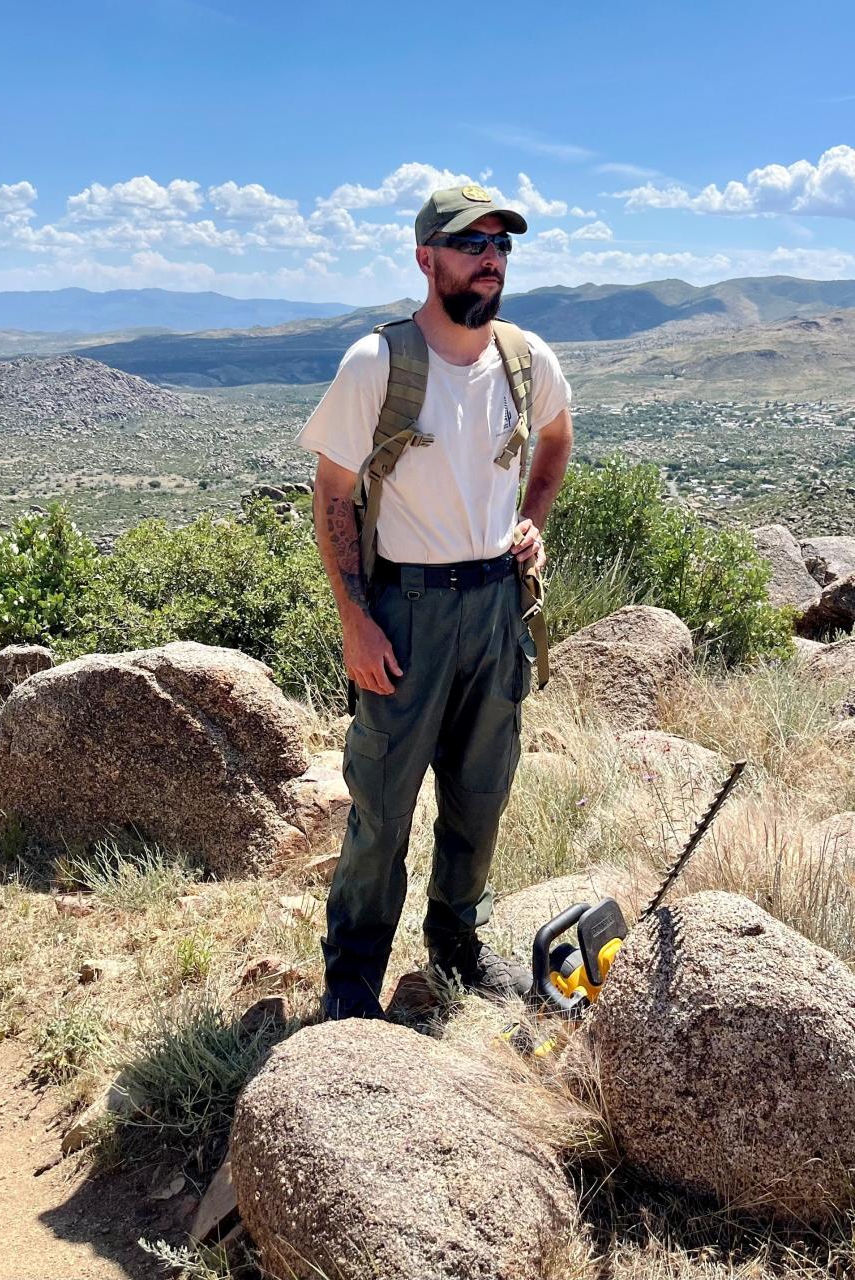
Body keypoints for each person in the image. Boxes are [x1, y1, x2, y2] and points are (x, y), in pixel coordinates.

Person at [297, 184, 574, 1020]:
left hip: (496, 604)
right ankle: (351, 983)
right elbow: (332, 493)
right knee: (382, 807)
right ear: (427, 259)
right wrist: (355, 619)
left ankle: (456, 948)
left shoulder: (527, 359)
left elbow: (557, 438)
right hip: (407, 610)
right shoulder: (377, 363)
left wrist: (531, 521)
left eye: (500, 246)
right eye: (471, 244)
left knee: (481, 795)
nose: (490, 259)